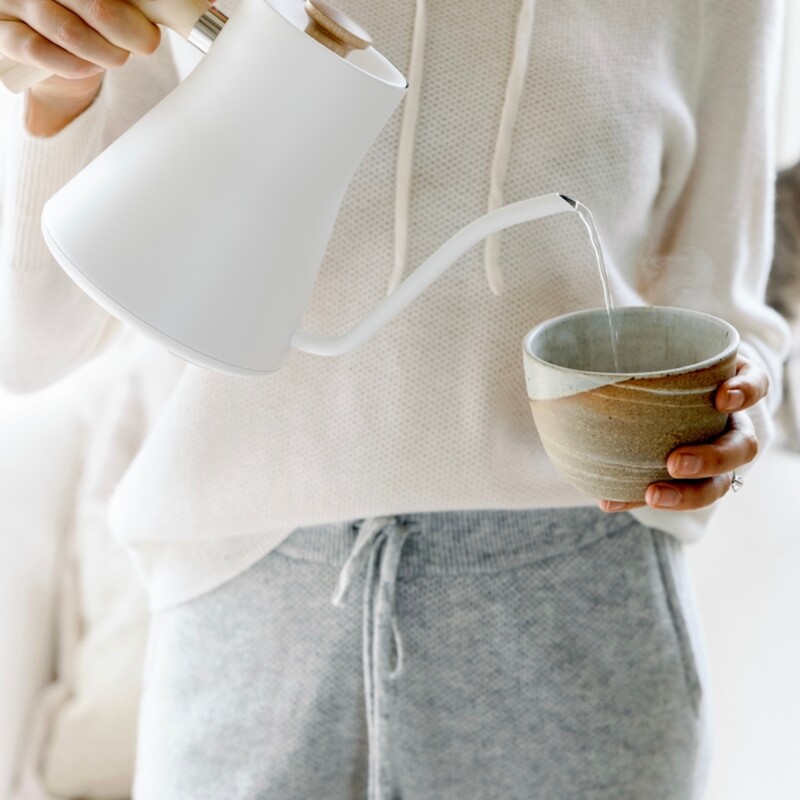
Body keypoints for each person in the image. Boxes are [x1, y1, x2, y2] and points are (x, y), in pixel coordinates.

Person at [0, 0, 791, 797]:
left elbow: (723, 309)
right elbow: (32, 346)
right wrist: (57, 90)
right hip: (247, 626)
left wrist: (730, 418)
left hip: (581, 618)